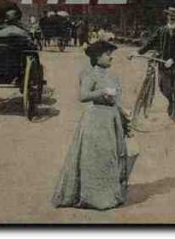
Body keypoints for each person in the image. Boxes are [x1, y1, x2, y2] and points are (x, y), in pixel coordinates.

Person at [52, 41, 138, 210]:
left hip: (111, 119)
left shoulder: (113, 77)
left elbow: (116, 100)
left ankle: (108, 195)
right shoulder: (89, 74)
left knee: (110, 157)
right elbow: (83, 96)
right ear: (97, 57)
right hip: (95, 119)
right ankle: (93, 197)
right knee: (95, 158)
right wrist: (102, 92)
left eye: (110, 53)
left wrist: (123, 111)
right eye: (107, 54)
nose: (111, 57)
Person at [138, 7, 175, 123]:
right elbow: (151, 43)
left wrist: (173, 59)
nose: (172, 17)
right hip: (163, 64)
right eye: (170, 15)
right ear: (167, 17)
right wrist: (138, 52)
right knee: (164, 88)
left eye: (174, 16)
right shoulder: (161, 30)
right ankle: (171, 102)